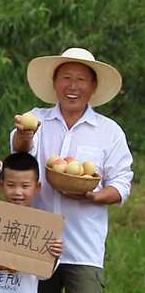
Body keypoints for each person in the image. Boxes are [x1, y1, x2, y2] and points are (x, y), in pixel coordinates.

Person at [12, 48, 134, 292]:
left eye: (81, 79)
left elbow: (122, 182)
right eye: (66, 77)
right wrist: (25, 135)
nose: (72, 86)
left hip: (83, 247)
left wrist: (95, 196)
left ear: (93, 86)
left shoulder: (108, 131)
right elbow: (20, 153)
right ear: (55, 83)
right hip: (37, 241)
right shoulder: (37, 120)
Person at [0, 152, 63, 292]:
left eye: (25, 186)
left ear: (37, 187)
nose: (17, 192)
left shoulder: (42, 228)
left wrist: (54, 254)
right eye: (11, 185)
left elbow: (43, 276)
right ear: (2, 186)